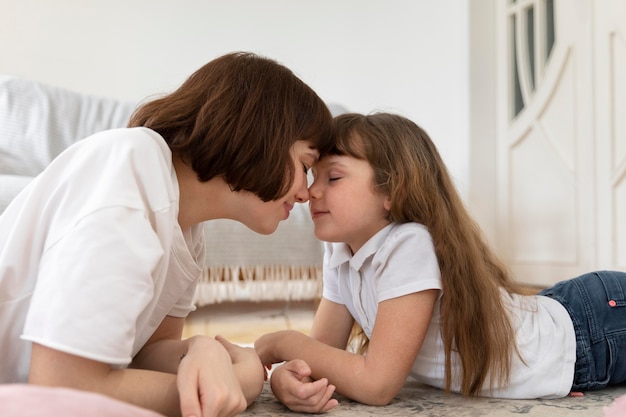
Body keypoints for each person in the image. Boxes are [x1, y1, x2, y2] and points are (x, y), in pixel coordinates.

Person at [0, 51, 334, 417]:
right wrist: (242, 381)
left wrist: (203, 349)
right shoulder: (130, 173)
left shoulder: (187, 226)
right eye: (305, 166)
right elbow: (63, 390)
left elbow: (147, 353)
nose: (306, 194)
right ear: (262, 135)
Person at [254, 112, 626, 413]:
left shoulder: (408, 244)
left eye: (333, 177)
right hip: (567, 315)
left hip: (590, 329)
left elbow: (377, 384)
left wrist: (283, 345)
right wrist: (291, 378)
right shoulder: (341, 251)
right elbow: (325, 354)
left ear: (391, 191)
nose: (311, 191)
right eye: (313, 175)